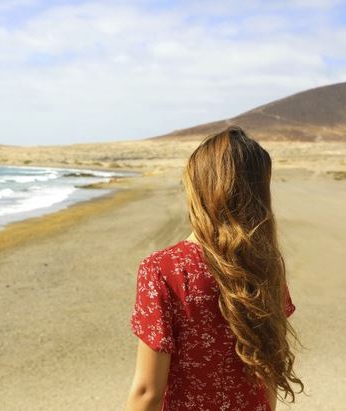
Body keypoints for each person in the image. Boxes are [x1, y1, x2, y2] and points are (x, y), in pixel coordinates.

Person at [124, 126, 303, 411]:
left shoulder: (163, 270)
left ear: (198, 189)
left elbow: (148, 392)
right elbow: (267, 372)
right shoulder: (266, 267)